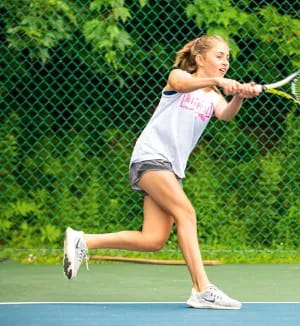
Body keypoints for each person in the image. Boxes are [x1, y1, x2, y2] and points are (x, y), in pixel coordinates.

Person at [63, 35, 261, 310]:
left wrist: (238, 95)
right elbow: (181, 83)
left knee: (153, 239)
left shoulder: (212, 96)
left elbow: (226, 114)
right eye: (219, 56)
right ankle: (202, 289)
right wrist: (216, 81)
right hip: (151, 158)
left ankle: (83, 240)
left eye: (227, 57)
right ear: (200, 58)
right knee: (186, 213)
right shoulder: (179, 76)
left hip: (172, 169)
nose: (225, 62)